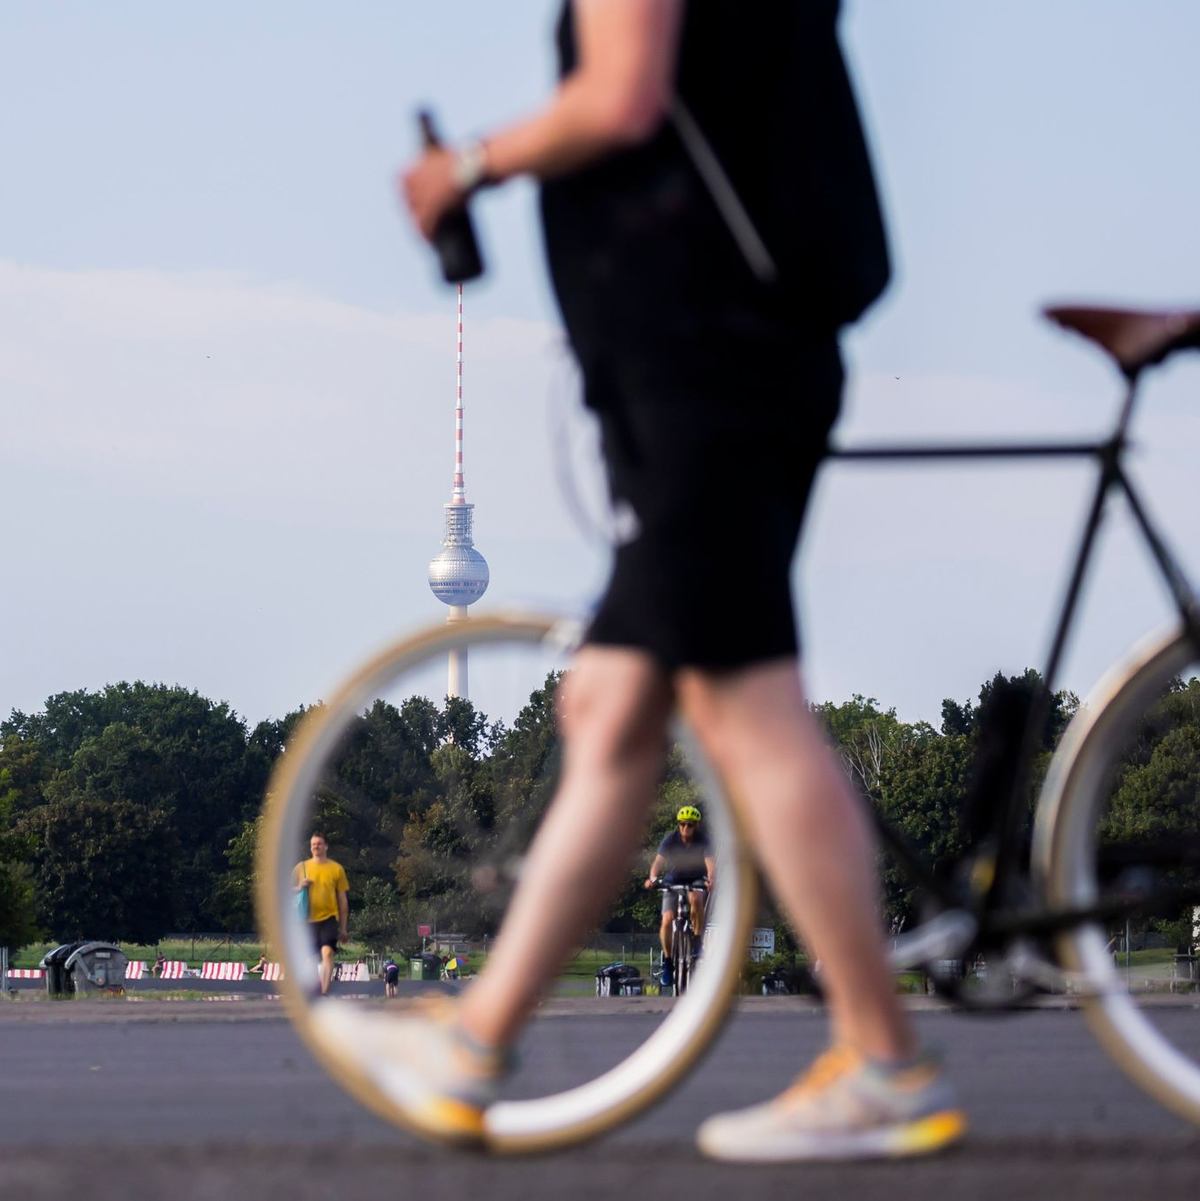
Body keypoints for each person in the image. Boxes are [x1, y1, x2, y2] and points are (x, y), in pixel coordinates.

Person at [323, 0, 964, 1161]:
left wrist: (464, 166)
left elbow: (621, 95)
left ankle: (884, 1059)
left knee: (745, 704)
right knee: (612, 704)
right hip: (731, 353)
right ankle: (474, 1041)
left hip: (705, 362)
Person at [645, 805, 714, 986]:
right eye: (682, 824)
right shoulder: (670, 840)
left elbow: (710, 863)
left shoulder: (704, 841)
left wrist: (711, 879)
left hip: (695, 879)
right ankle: (668, 962)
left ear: (696, 825)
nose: (686, 828)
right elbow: (658, 862)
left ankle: (697, 941)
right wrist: (652, 878)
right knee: (667, 920)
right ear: (678, 825)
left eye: (690, 824)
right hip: (673, 880)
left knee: (696, 898)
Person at [294, 833, 349, 996]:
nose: (315, 847)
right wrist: (299, 886)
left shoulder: (336, 869)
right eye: (313, 844)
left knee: (328, 953)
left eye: (319, 844)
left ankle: (324, 992)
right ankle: (313, 990)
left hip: (329, 918)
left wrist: (343, 928)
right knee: (311, 958)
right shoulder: (301, 868)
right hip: (307, 920)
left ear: (326, 846)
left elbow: (342, 899)